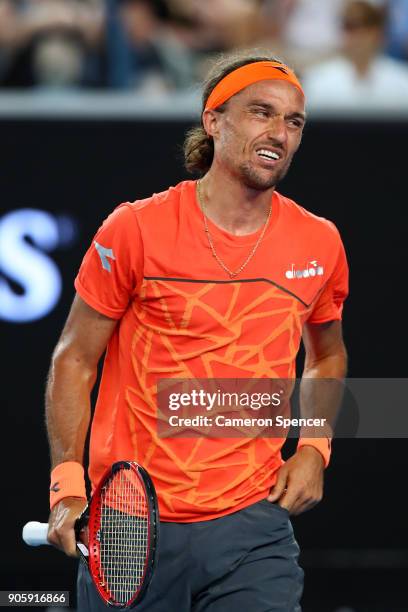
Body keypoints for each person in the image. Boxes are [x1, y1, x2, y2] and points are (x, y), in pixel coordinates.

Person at [46, 49, 348, 611]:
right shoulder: (135, 228)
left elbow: (326, 357)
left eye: (294, 121)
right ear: (214, 121)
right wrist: (67, 483)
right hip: (130, 527)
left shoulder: (319, 242)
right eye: (261, 112)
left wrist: (313, 446)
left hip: (252, 528)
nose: (279, 133)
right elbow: (75, 359)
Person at [303, 0, 408, 110]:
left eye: (366, 28)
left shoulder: (403, 82)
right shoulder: (318, 81)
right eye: (350, 27)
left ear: (378, 33)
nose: (359, 36)